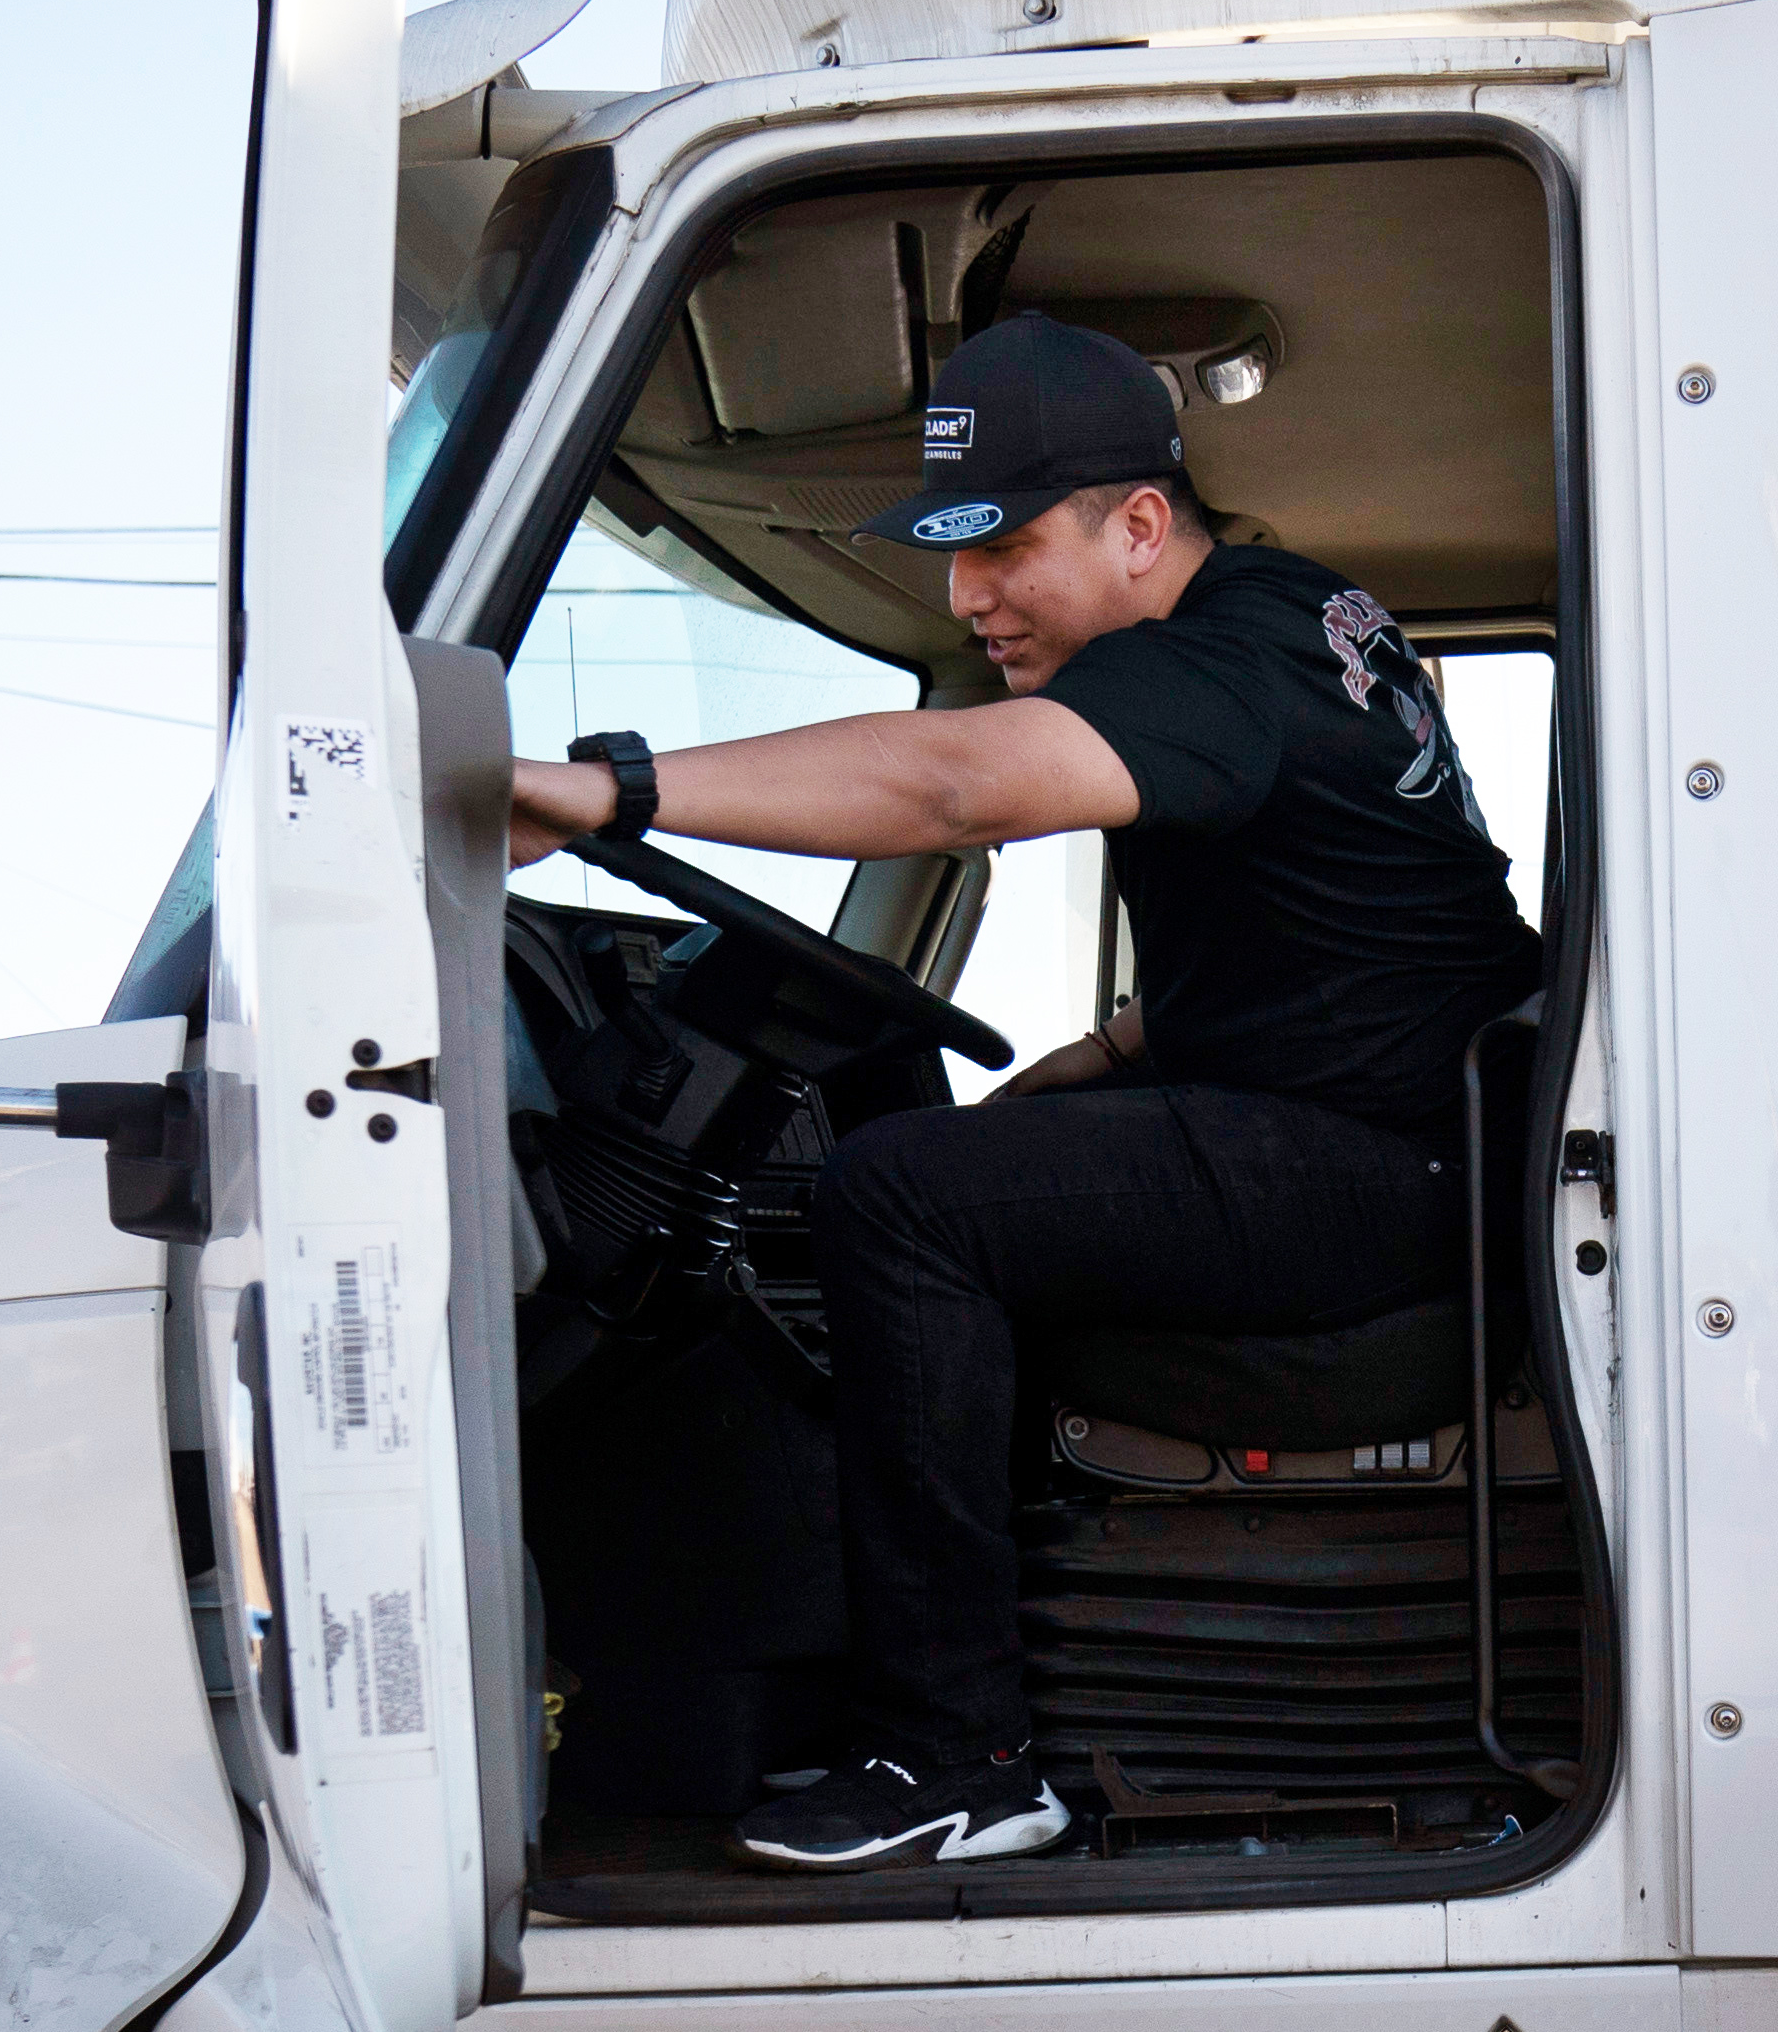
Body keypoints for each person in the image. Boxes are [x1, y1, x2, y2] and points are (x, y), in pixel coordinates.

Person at [505, 313, 1541, 1871]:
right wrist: (1096, 1066)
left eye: (1003, 543)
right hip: (1411, 1137)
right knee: (967, 1166)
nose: (969, 593)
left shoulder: (1223, 664)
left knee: (898, 1193)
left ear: (1139, 527)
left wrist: (604, 794)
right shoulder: (1285, 626)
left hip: (1386, 1171)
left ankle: (957, 1760)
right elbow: (1330, 935)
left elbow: (951, 784)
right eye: (950, 552)